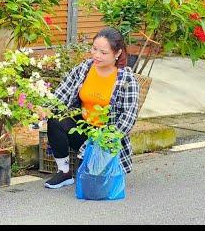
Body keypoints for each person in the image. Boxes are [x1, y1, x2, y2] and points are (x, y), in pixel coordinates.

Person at [45, 27, 140, 189]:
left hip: (106, 136)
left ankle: (93, 162)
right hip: (83, 128)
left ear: (117, 54)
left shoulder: (126, 79)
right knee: (55, 119)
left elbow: (127, 118)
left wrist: (104, 140)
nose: (96, 55)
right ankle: (64, 172)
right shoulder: (85, 68)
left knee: (92, 180)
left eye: (103, 52)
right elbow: (62, 93)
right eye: (94, 49)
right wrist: (46, 109)